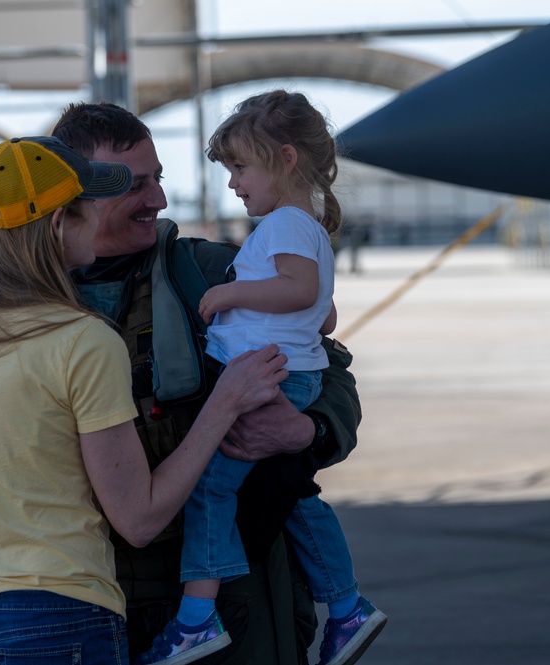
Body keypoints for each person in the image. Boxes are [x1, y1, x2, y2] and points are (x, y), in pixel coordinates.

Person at [0, 136, 288, 664]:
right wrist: (224, 405)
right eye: (85, 208)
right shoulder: (82, 339)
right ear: (59, 225)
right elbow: (139, 520)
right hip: (59, 621)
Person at [51, 103, 366, 665]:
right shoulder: (29, 302)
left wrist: (307, 430)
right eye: (132, 186)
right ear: (75, 195)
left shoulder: (218, 270)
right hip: (86, 592)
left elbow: (329, 367)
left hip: (234, 598)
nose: (159, 202)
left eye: (159, 180)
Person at [136, 91, 386, 665]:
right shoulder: (302, 228)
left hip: (265, 381)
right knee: (295, 495)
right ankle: (346, 607)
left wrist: (230, 293)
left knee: (208, 489)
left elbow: (301, 295)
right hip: (284, 376)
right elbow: (321, 313)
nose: (232, 183)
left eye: (240, 167)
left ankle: (197, 619)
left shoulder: (285, 227)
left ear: (285, 158)